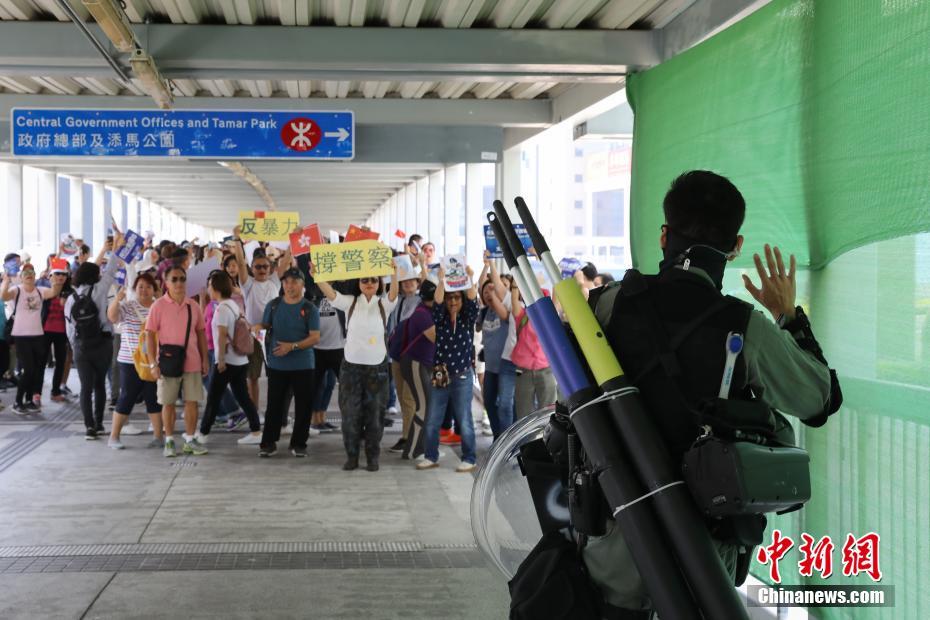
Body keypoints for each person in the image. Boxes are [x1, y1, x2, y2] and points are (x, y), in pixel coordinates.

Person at [583, 170, 841, 613]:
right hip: (704, 558)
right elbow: (820, 400)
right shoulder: (745, 326)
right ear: (736, 246)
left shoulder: (608, 304)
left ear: (664, 236)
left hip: (614, 541)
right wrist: (788, 316)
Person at [314, 264, 400, 472]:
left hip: (377, 368)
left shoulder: (383, 304)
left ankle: (372, 458)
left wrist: (394, 273)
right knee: (351, 416)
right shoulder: (350, 303)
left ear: (379, 282)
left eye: (373, 280)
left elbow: (394, 293)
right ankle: (352, 457)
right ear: (359, 283)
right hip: (351, 368)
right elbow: (331, 294)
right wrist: (317, 276)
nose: (369, 283)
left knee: (375, 417)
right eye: (364, 280)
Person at [252, 267, 320, 458]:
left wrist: (292, 346)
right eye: (286, 282)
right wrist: (257, 328)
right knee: (274, 405)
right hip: (277, 364)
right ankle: (268, 443)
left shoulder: (309, 308)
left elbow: (315, 338)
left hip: (303, 365)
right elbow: (265, 326)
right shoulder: (273, 305)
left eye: (294, 282)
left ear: (302, 285)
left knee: (304, 406)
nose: (289, 286)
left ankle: (299, 443)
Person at [417, 265, 479, 472]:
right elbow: (437, 302)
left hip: (462, 375)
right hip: (440, 372)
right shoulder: (440, 319)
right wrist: (442, 281)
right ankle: (430, 456)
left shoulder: (467, 318)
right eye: (450, 299)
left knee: (464, 419)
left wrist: (469, 278)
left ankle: (469, 458)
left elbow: (472, 301)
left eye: (457, 299)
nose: (453, 302)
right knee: (433, 418)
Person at [145, 264, 210, 458]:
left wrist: (205, 359)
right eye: (174, 279)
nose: (179, 283)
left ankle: (190, 440)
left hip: (192, 361)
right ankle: (170, 441)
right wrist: (152, 363)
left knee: (192, 402)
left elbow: (200, 334)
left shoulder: (193, 305)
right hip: (167, 363)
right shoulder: (158, 306)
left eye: (182, 279)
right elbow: (149, 335)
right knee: (168, 403)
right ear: (166, 282)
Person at [63, 246, 122, 437]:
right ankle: (99, 423)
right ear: (96, 275)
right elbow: (112, 268)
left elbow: (70, 328)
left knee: (85, 387)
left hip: (82, 347)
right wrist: (117, 247)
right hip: (103, 343)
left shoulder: (71, 299)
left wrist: (76, 348)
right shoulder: (100, 290)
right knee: (99, 385)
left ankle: (88, 426)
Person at [199, 271, 263, 445]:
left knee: (213, 398)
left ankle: (203, 434)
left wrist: (219, 360)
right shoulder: (234, 305)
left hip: (226, 362)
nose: (209, 288)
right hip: (240, 360)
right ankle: (256, 431)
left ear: (216, 288)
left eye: (211, 285)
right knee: (243, 397)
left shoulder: (222, 309)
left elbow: (221, 335)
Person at [233, 237, 292, 412]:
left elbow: (286, 260)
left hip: (274, 336)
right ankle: (254, 414)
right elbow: (240, 264)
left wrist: (294, 242)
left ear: (271, 268)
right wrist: (237, 241)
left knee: (276, 377)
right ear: (252, 269)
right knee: (252, 378)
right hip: (253, 337)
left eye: (265, 266)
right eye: (257, 267)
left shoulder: (274, 281)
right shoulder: (248, 285)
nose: (261, 270)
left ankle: (276, 414)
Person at [106, 273, 163, 449]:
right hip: (130, 361)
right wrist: (117, 299)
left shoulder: (159, 308)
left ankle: (158, 437)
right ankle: (113, 437)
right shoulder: (129, 306)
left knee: (153, 397)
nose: (144, 290)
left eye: (148, 286)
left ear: (154, 289)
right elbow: (113, 317)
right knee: (127, 396)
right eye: (140, 287)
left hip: (152, 361)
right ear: (134, 289)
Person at [1, 263, 64, 414]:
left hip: (37, 335)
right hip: (21, 335)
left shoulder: (40, 291)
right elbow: (4, 296)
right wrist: (6, 280)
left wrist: (56, 279)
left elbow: (54, 292)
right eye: (26, 273)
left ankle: (29, 400)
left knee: (36, 370)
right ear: (21, 277)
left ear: (35, 276)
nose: (29, 274)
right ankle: (17, 402)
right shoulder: (17, 290)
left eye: (32, 272)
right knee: (28, 369)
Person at [476, 257, 515, 439]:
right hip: (490, 368)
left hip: (506, 368)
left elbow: (496, 293)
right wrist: (486, 266)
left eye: (494, 289)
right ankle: (497, 437)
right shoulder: (484, 312)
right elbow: (480, 286)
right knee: (490, 404)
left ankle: (508, 440)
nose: (488, 293)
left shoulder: (506, 313)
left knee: (507, 406)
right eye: (485, 291)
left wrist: (492, 269)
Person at [398, 281, 436, 460]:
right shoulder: (422, 314)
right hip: (415, 363)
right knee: (423, 406)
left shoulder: (427, 310)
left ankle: (417, 448)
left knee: (426, 406)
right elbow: (437, 337)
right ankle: (414, 450)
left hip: (422, 363)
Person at [385, 274, 422, 454]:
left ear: (418, 283)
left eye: (412, 280)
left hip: (414, 355)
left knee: (409, 398)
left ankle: (409, 437)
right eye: (404, 281)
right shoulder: (396, 301)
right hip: (396, 353)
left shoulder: (421, 301)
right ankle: (408, 435)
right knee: (402, 396)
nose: (408, 284)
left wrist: (421, 263)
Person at [510, 285, 557, 420]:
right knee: (523, 415)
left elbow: (555, 300)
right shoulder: (522, 316)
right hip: (524, 372)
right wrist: (514, 286)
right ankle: (528, 441)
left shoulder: (549, 317)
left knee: (549, 414)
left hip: (546, 370)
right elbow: (514, 301)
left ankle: (547, 440)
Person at [40, 261, 73, 403]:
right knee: (40, 363)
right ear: (51, 275)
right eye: (57, 273)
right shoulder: (44, 289)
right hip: (44, 331)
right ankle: (36, 393)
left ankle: (56, 391)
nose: (61, 277)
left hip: (62, 332)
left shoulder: (70, 292)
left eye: (63, 274)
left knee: (61, 362)